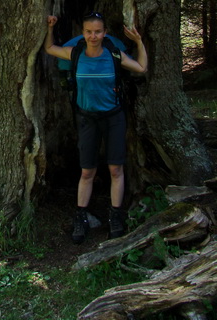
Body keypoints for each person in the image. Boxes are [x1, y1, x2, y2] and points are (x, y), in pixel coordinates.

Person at [44, 12, 148, 243]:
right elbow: (50, 48)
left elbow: (141, 67)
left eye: (98, 31)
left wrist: (139, 41)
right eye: (89, 31)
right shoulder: (76, 53)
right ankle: (81, 217)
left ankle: (116, 216)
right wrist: (50, 27)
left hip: (113, 118)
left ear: (104, 33)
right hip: (87, 119)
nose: (93, 36)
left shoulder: (113, 54)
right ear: (83, 33)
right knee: (87, 171)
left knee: (115, 170)